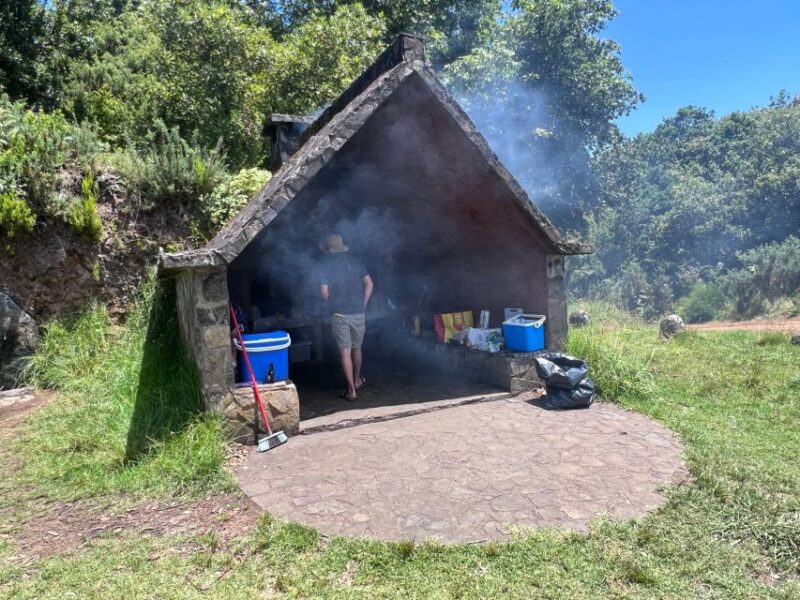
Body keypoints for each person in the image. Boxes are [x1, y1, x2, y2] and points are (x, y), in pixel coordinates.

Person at [317, 234, 374, 401]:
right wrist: (363, 304)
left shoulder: (325, 265)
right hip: (358, 312)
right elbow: (370, 284)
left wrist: (331, 304)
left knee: (345, 351)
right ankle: (356, 381)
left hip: (339, 314)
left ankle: (351, 391)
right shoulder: (356, 261)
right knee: (357, 348)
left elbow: (324, 291)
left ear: (328, 249)